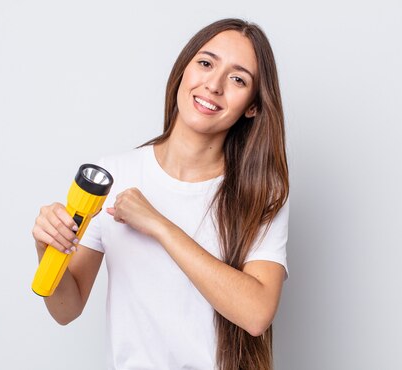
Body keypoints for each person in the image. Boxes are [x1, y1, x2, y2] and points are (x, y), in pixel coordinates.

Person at [32, 18, 289, 370]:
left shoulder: (262, 193)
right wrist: (49, 249)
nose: (213, 84)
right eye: (205, 63)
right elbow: (67, 309)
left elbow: (256, 314)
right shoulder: (114, 175)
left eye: (237, 79)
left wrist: (158, 224)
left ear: (253, 106)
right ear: (184, 70)